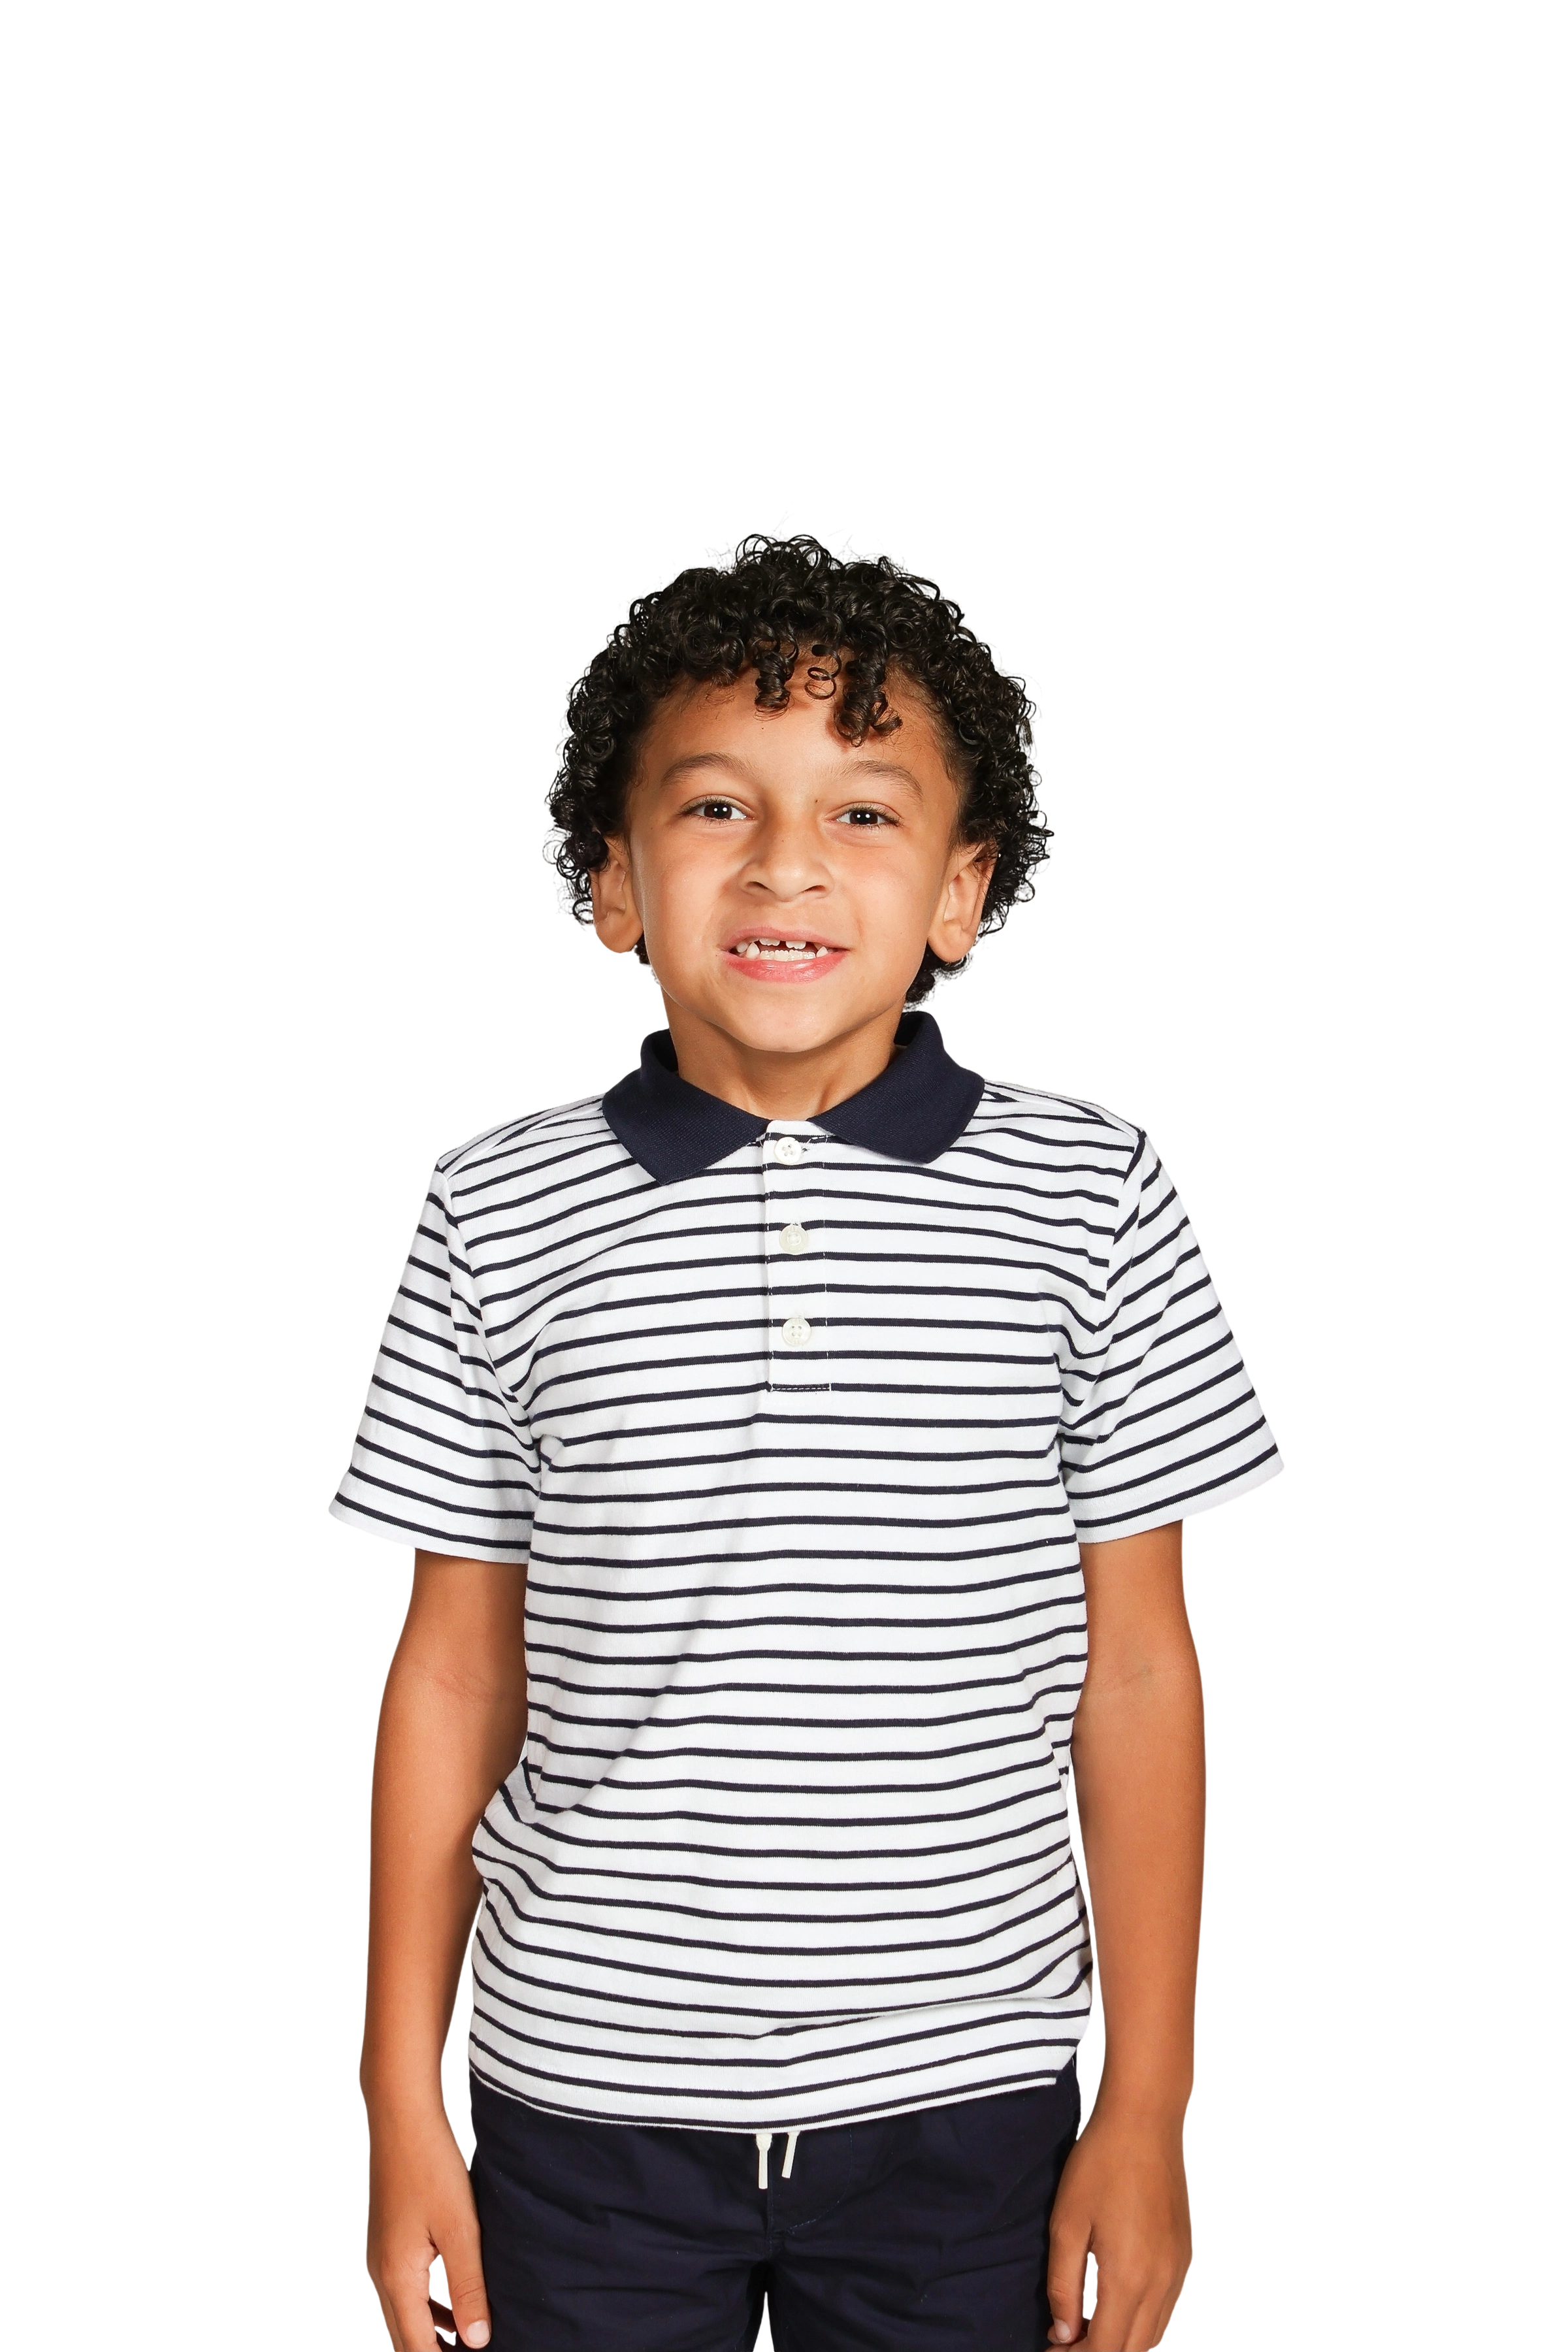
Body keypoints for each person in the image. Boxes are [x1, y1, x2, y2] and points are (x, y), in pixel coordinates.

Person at [325, 528, 1284, 2352]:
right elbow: (450, 1674)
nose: (786, 863)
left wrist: (1149, 2110)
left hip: (974, 2101)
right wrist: (400, 2105)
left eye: (863, 811)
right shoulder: (495, 1212)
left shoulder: (1091, 1200)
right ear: (613, 880)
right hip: (582, 2099)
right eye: (716, 808)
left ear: (962, 889)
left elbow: (1142, 1672)